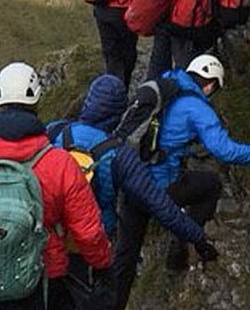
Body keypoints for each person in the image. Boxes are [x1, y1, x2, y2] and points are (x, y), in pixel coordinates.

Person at [112, 55, 250, 310]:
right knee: (211, 185)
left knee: (125, 257)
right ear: (210, 85)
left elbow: (165, 134)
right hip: (161, 187)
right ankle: (182, 241)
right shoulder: (198, 109)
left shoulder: (168, 84)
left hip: (132, 180)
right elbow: (225, 151)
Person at [0, 62, 112, 310]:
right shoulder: (59, 164)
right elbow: (88, 233)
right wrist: (103, 266)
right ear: (37, 102)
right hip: (46, 282)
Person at [48, 73, 217, 309]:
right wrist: (197, 237)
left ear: (88, 103)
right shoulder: (118, 154)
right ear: (118, 114)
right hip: (91, 245)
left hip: (49, 238)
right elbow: (161, 205)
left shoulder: (55, 132)